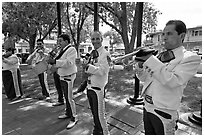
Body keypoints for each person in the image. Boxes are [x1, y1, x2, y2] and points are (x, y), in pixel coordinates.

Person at [134, 20, 201, 135]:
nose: (164, 38)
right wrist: (140, 66)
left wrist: (150, 60)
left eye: (169, 34)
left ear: (182, 36)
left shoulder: (190, 58)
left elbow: (173, 81)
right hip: (147, 107)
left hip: (163, 113)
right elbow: (145, 78)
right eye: (163, 34)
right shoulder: (159, 56)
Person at [47, 34, 78, 129]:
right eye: (58, 41)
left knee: (69, 98)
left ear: (66, 41)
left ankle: (74, 117)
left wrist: (55, 62)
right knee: (66, 97)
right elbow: (57, 61)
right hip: (62, 76)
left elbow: (69, 63)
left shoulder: (71, 50)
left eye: (60, 41)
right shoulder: (61, 50)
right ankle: (68, 113)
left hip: (68, 76)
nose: (58, 43)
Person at [83, 31, 110, 135]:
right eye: (93, 39)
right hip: (89, 87)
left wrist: (88, 67)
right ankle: (97, 130)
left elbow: (103, 71)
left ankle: (106, 133)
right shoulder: (91, 53)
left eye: (97, 38)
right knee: (94, 114)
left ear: (101, 39)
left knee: (100, 115)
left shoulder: (105, 53)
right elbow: (88, 69)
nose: (95, 41)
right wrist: (85, 65)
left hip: (98, 89)